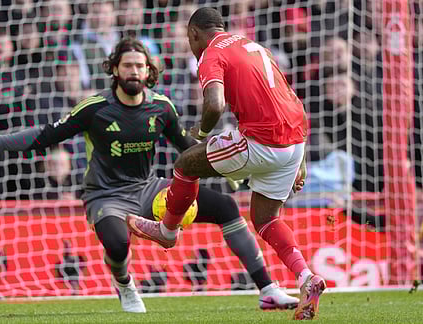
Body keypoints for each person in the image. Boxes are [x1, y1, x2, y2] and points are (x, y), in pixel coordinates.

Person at [0, 37, 298, 313]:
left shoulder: (161, 106)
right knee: (117, 244)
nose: (134, 71)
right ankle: (126, 284)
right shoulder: (95, 108)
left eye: (140, 66)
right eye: (127, 65)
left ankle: (267, 289)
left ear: (149, 72)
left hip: (149, 188)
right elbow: (45, 136)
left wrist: (227, 168)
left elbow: (184, 147)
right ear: (114, 69)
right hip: (105, 196)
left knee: (225, 207)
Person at [126, 8, 326, 320]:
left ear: (193, 33)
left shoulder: (209, 54)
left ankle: (167, 230)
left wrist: (202, 132)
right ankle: (306, 277)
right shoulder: (253, 46)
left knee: (185, 164)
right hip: (294, 141)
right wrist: (298, 160)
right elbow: (289, 97)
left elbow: (215, 103)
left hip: (261, 141)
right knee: (265, 218)